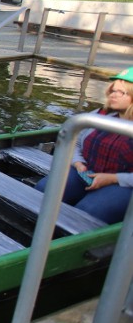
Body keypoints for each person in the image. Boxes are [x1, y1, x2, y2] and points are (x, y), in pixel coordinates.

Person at [35, 67, 133, 224]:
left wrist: (113, 178)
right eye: (112, 90)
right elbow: (76, 142)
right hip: (88, 172)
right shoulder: (99, 115)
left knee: (87, 212)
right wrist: (78, 162)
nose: (113, 95)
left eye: (121, 92)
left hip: (125, 184)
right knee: (44, 189)